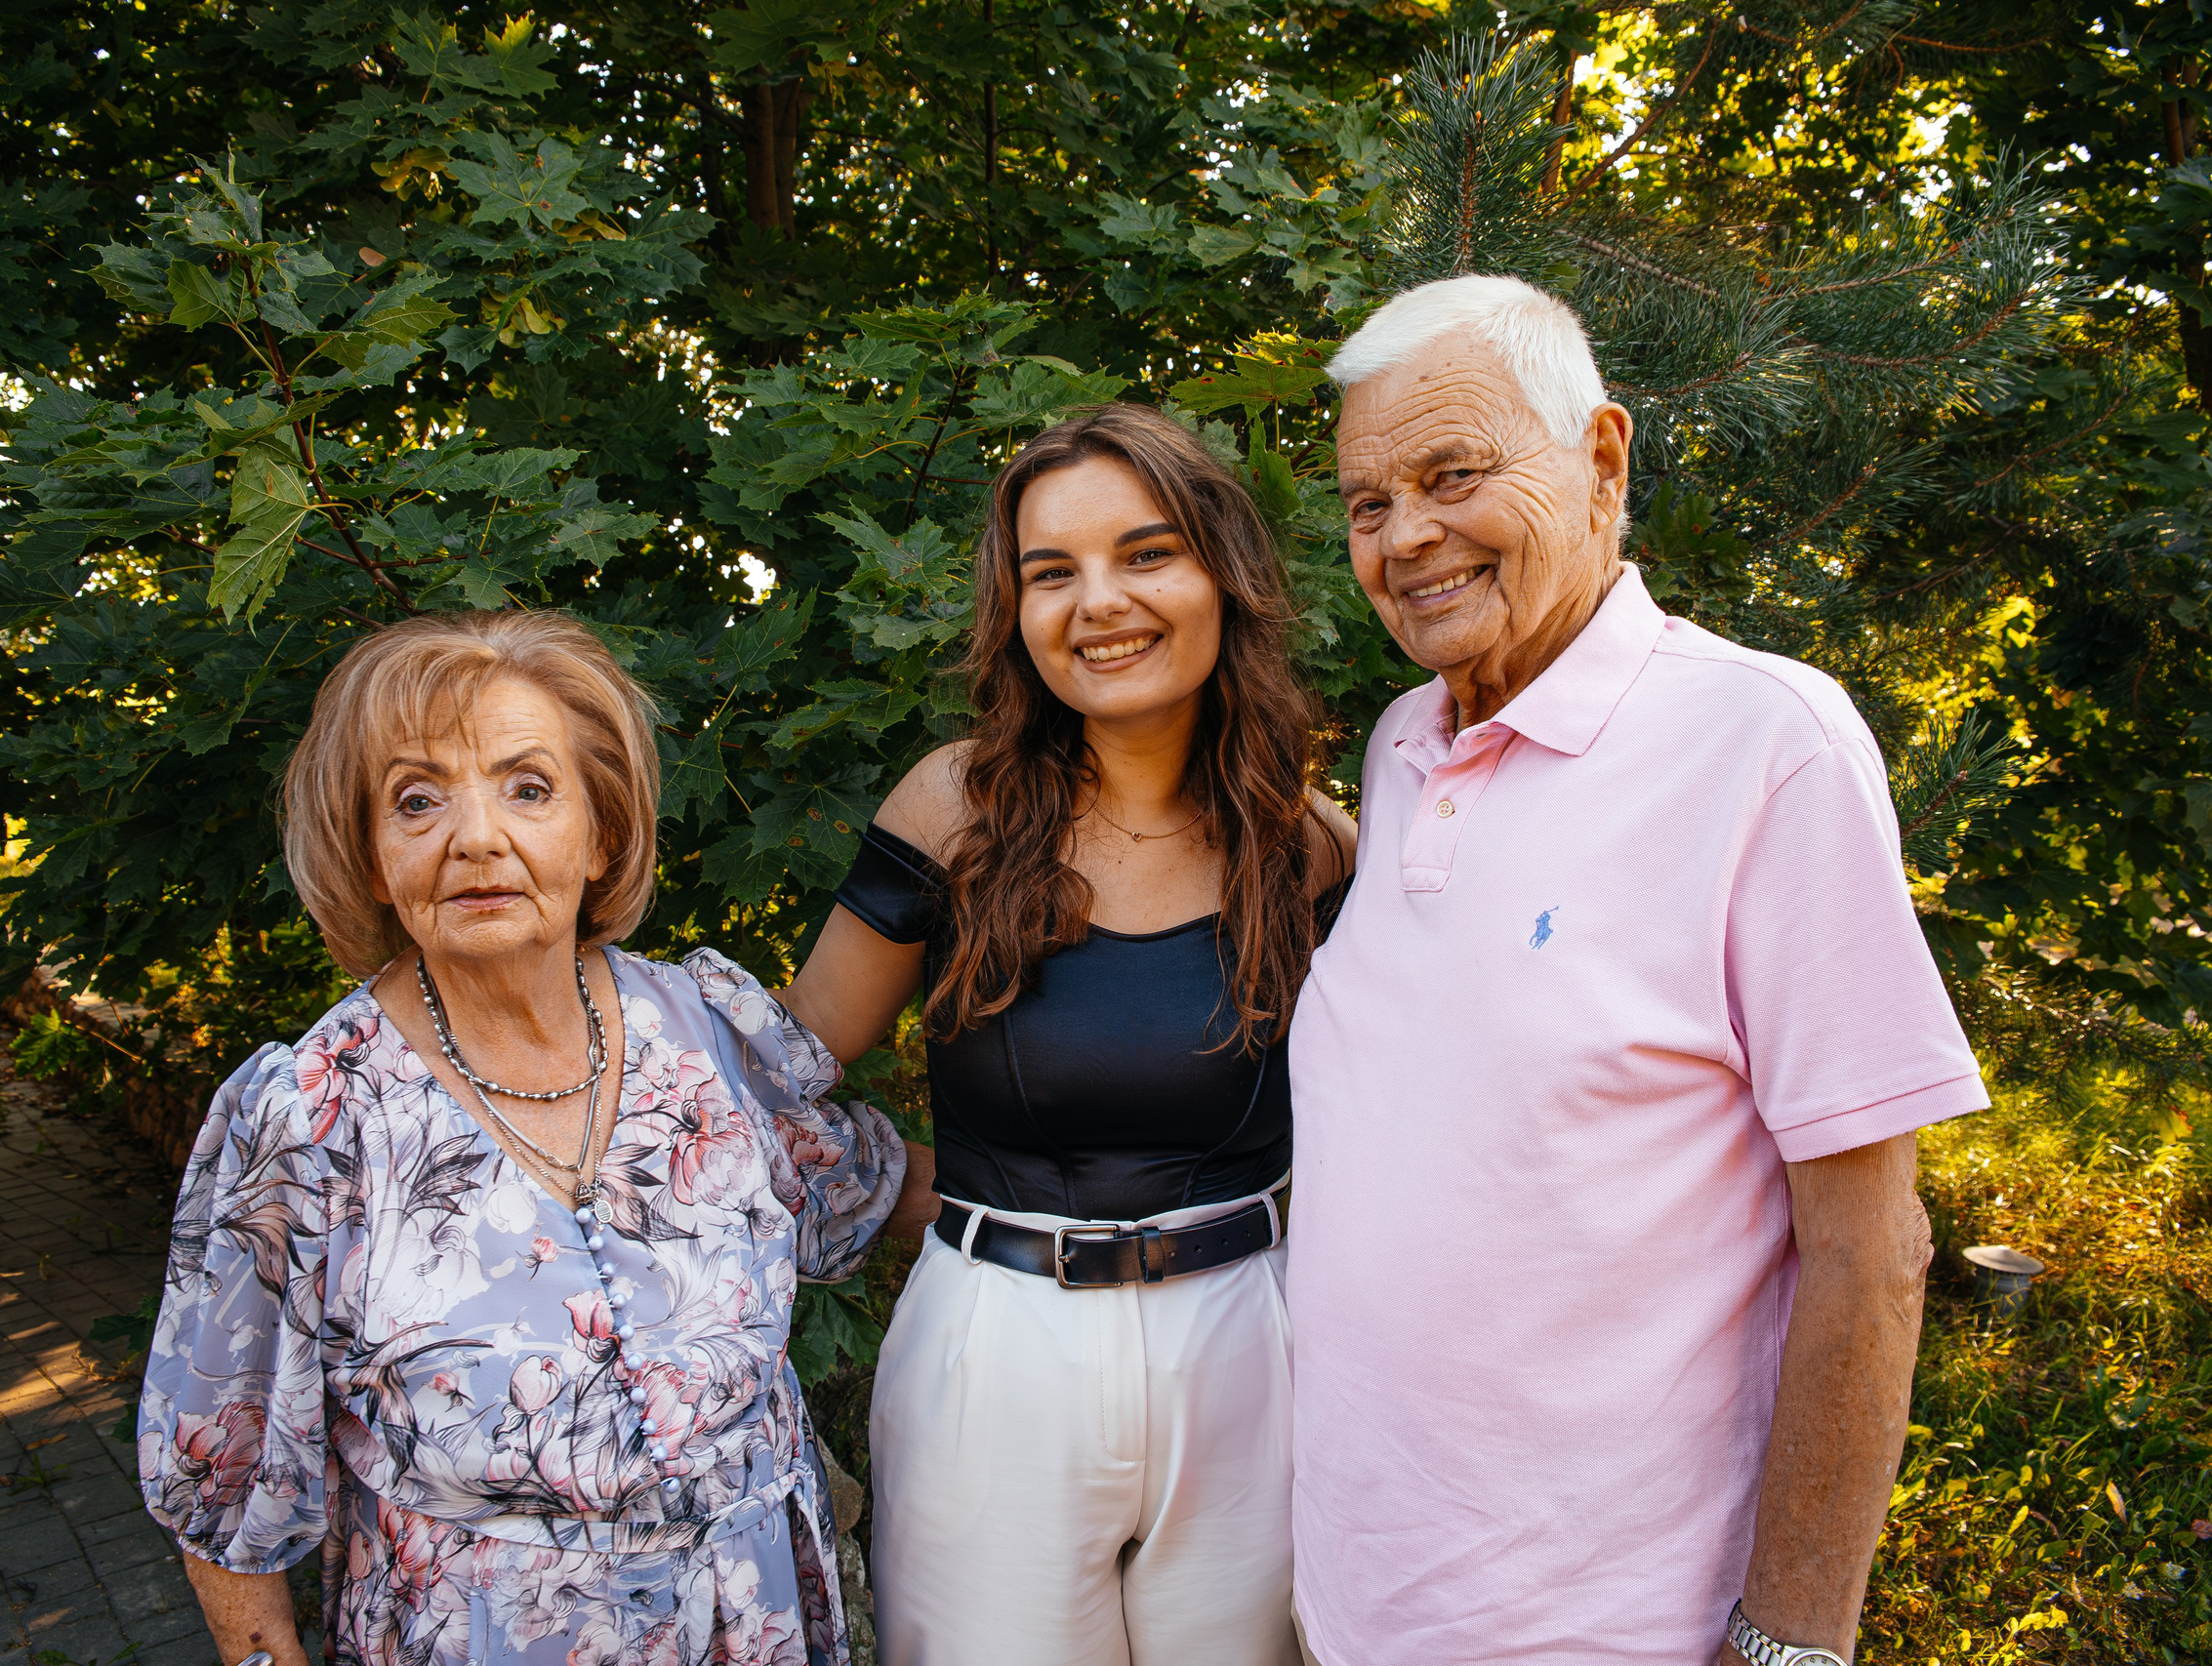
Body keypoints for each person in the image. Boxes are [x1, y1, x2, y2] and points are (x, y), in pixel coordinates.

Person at [1287, 276, 1987, 1666]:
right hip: (1357, 1600)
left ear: (1601, 459)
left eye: (1453, 474)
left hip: (1614, 1626)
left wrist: (1789, 1640)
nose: (1408, 533)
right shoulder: (1402, 742)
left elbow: (1871, 1253)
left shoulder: (1763, 741)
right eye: (1369, 502)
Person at [136, 610, 907, 1666]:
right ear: (370, 856)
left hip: (757, 1620)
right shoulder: (308, 1121)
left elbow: (859, 1191)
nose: (477, 837)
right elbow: (219, 1480)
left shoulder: (709, 1037)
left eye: (528, 788)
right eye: (417, 800)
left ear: (602, 833)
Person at [778, 403, 1355, 1666]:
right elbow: (786, 1066)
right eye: (1053, 571)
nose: (1099, 600)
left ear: (1223, 573)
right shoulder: (956, 809)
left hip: (1252, 1349)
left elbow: (1406, 1116)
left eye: (1145, 552)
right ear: (1018, 610)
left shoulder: (1307, 841)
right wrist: (894, 1183)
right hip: (998, 1347)